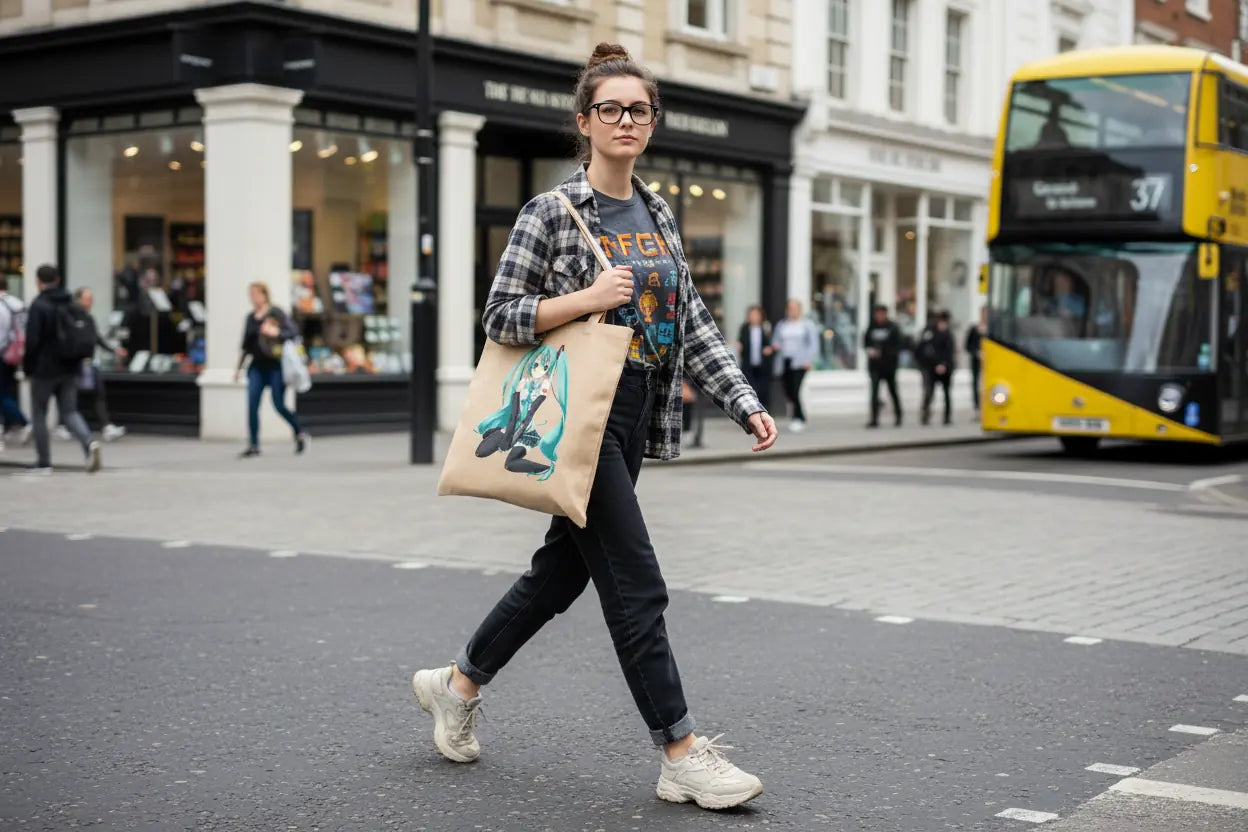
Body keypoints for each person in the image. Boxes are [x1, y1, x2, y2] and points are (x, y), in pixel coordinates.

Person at [410, 42, 778, 812]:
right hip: (579, 410)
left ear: (651, 124)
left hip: (638, 409)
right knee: (636, 581)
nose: (625, 121)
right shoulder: (550, 211)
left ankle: (457, 683)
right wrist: (584, 299)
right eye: (610, 109)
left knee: (563, 572)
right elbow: (499, 317)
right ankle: (680, 751)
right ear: (585, 121)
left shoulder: (658, 209)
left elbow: (692, 320)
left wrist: (742, 399)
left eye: (638, 110)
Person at [22, 264, 101, 474]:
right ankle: (88, 444)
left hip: (44, 370)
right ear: (57, 279)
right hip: (70, 366)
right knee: (70, 411)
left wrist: (27, 368)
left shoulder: (39, 305)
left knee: (39, 413)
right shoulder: (71, 303)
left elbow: (32, 341)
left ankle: (44, 462)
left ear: (39, 281)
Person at [234, 281, 308, 458]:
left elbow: (294, 333)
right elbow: (246, 346)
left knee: (279, 404)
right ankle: (253, 444)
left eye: (256, 294)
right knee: (252, 404)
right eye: (251, 294)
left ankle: (299, 431)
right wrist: (238, 368)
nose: (253, 298)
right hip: (256, 366)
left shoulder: (277, 313)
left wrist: (276, 333)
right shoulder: (250, 318)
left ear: (264, 295)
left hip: (276, 366)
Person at [55, 288, 127, 442]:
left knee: (97, 392)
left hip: (89, 362)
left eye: (91, 298)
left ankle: (106, 426)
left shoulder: (89, 318)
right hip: (74, 363)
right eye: (87, 298)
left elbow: (97, 339)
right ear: (78, 300)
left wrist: (113, 350)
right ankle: (63, 425)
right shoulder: (70, 317)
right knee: (73, 395)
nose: (90, 301)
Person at [771, 299, 820, 433]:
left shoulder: (807, 325)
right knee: (788, 390)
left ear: (799, 309)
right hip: (785, 361)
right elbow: (776, 340)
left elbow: (814, 344)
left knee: (795, 389)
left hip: (800, 362)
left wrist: (810, 360)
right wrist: (775, 346)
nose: (792, 310)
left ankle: (797, 418)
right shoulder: (782, 325)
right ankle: (801, 416)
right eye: (790, 308)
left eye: (794, 308)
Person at [0, 284, 30, 450]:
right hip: (16, 353)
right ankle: (8, 426)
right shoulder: (17, 303)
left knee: (3, 395)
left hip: (2, 352)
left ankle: (23, 422)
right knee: (8, 390)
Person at [864, 304, 903, 428]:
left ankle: (898, 415)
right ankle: (874, 419)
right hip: (875, 366)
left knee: (892, 391)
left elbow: (898, 346)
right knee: (874, 392)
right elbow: (865, 342)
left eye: (881, 314)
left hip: (889, 366)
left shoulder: (892, 328)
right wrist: (871, 351)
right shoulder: (871, 327)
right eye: (877, 314)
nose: (879, 316)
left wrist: (885, 352)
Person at [734, 304, 772, 409]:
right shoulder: (745, 328)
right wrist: (739, 345)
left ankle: (764, 410)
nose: (754, 317)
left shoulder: (766, 327)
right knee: (750, 388)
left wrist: (769, 349)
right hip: (748, 364)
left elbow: (770, 343)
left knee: (763, 389)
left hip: (763, 364)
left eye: (756, 315)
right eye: (752, 315)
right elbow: (740, 341)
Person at [922, 312, 956, 426]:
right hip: (932, 367)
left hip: (946, 368)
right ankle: (925, 414)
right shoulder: (930, 334)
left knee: (946, 393)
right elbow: (926, 349)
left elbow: (950, 352)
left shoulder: (948, 335)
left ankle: (947, 417)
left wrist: (944, 364)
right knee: (929, 392)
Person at [965, 312, 983, 413]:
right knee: (976, 383)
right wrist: (976, 352)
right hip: (976, 361)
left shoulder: (994, 328)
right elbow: (967, 346)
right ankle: (977, 405)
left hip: (991, 363)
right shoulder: (974, 329)